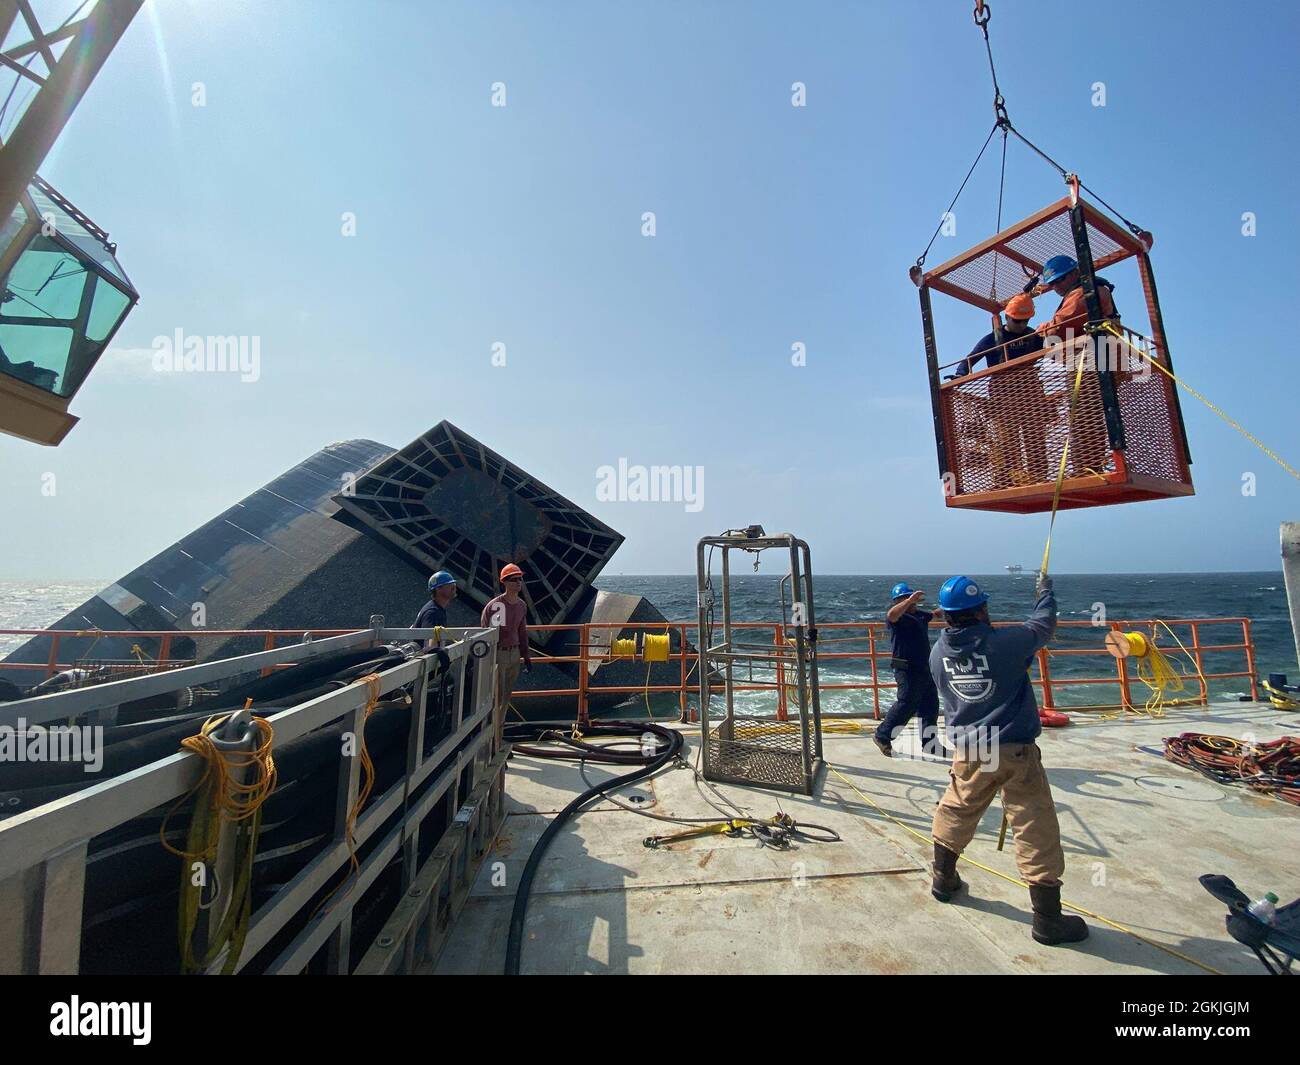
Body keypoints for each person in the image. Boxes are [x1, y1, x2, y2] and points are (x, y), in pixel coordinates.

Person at [927, 573, 1088, 946]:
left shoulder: (938, 653)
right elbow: (1043, 625)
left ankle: (943, 879)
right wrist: (1044, 592)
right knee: (1034, 826)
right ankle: (1047, 920)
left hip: (970, 751)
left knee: (956, 810)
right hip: (1014, 750)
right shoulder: (1006, 642)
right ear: (981, 609)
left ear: (946, 616)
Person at [954, 294, 1050, 485]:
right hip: (1003, 398)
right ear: (1007, 317)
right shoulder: (993, 339)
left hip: (1031, 394)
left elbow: (1054, 350)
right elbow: (970, 359)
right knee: (1006, 441)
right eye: (1017, 321)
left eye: (1025, 321)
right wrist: (960, 374)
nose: (1021, 325)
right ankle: (1004, 479)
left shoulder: (1034, 336)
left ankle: (1039, 476)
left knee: (1035, 437)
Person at [874, 583, 941, 758]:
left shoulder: (918, 615)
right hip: (906, 668)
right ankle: (882, 736)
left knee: (930, 705)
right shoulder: (897, 617)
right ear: (900, 600)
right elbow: (891, 615)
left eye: (913, 600)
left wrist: (947, 608)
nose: (914, 604)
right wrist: (909, 600)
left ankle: (930, 743)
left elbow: (934, 615)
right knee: (906, 704)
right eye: (909, 600)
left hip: (924, 667)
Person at [481, 563, 532, 740]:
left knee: (506, 698)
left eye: (520, 579)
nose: (518, 582)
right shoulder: (498, 606)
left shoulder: (521, 606)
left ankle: (498, 737)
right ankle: (493, 739)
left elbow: (522, 631)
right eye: (514, 579)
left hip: (514, 654)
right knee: (496, 698)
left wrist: (526, 656)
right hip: (499, 655)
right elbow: (494, 635)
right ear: (505, 582)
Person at [1035, 255, 1119, 343]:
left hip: (1092, 349)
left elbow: (1058, 330)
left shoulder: (1081, 293)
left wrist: (1040, 330)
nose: (1056, 286)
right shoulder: (1093, 288)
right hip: (1099, 346)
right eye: (1052, 283)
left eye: (1060, 279)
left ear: (1075, 272)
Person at [413, 571, 457, 648]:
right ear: (438, 589)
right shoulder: (432, 611)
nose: (454, 587)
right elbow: (428, 639)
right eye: (449, 585)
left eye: (453, 584)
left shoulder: (436, 608)